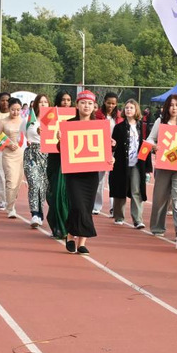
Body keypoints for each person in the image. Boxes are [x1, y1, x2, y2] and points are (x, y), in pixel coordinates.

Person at [62, 90, 105, 254]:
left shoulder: (99, 125)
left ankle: (81, 242)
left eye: (90, 103)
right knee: (77, 205)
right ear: (77, 105)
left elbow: (104, 150)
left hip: (91, 173)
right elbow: (61, 149)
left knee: (86, 206)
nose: (86, 106)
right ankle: (70, 235)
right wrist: (60, 139)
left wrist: (111, 148)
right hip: (73, 172)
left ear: (94, 106)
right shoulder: (69, 124)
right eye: (83, 103)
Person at [145, 94, 177, 237]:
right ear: (166, 107)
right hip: (163, 165)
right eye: (171, 105)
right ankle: (157, 227)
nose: (174, 108)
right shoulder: (160, 121)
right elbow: (150, 138)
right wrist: (154, 146)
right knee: (160, 197)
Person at [110, 99, 151, 229]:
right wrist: (113, 145)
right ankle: (119, 216)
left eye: (131, 108)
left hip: (137, 164)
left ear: (136, 110)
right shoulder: (119, 127)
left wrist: (148, 168)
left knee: (136, 190)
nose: (128, 110)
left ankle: (137, 219)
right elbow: (113, 146)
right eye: (126, 108)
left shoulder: (142, 127)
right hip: (121, 163)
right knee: (120, 189)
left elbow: (147, 146)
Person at [0, 97, 26, 219]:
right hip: (8, 154)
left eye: (18, 110)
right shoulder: (3, 122)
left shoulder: (24, 121)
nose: (15, 112)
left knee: (17, 181)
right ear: (9, 108)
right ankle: (11, 208)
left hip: (21, 153)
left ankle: (11, 201)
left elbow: (29, 136)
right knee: (10, 180)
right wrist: (8, 144)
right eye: (13, 109)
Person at [46, 91, 74, 239]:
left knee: (65, 194)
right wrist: (40, 130)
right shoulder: (49, 116)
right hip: (55, 159)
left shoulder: (76, 117)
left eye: (68, 100)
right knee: (54, 193)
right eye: (63, 100)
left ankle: (64, 227)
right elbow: (41, 129)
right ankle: (56, 225)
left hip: (70, 160)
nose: (66, 102)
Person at [23, 94, 50, 228]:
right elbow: (20, 137)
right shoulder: (29, 120)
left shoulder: (52, 121)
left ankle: (40, 213)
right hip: (31, 155)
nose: (43, 104)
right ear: (36, 104)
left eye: (45, 102)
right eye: (41, 102)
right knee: (34, 183)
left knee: (43, 186)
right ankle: (35, 214)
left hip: (47, 155)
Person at [94, 92, 121, 216]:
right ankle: (96, 205)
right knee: (99, 179)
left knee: (114, 180)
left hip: (115, 151)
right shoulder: (97, 115)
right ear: (104, 102)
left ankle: (113, 207)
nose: (111, 106)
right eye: (109, 103)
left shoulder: (119, 117)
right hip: (101, 150)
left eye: (113, 103)